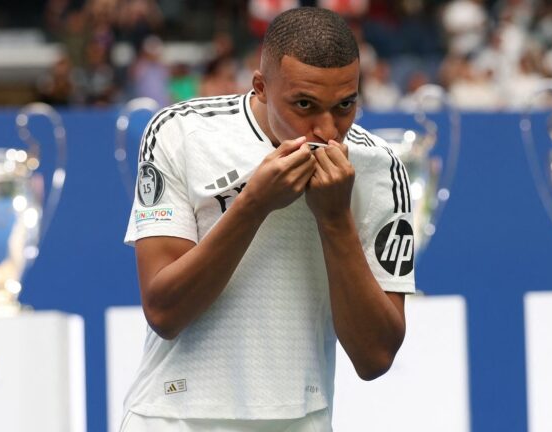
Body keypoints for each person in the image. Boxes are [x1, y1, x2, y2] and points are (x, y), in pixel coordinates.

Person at [122, 7, 416, 431]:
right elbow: (164, 311)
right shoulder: (179, 132)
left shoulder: (380, 167)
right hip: (172, 417)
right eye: (304, 104)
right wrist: (254, 205)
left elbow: (375, 358)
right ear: (260, 86)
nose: (328, 129)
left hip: (303, 419)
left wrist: (334, 220)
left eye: (345, 105)